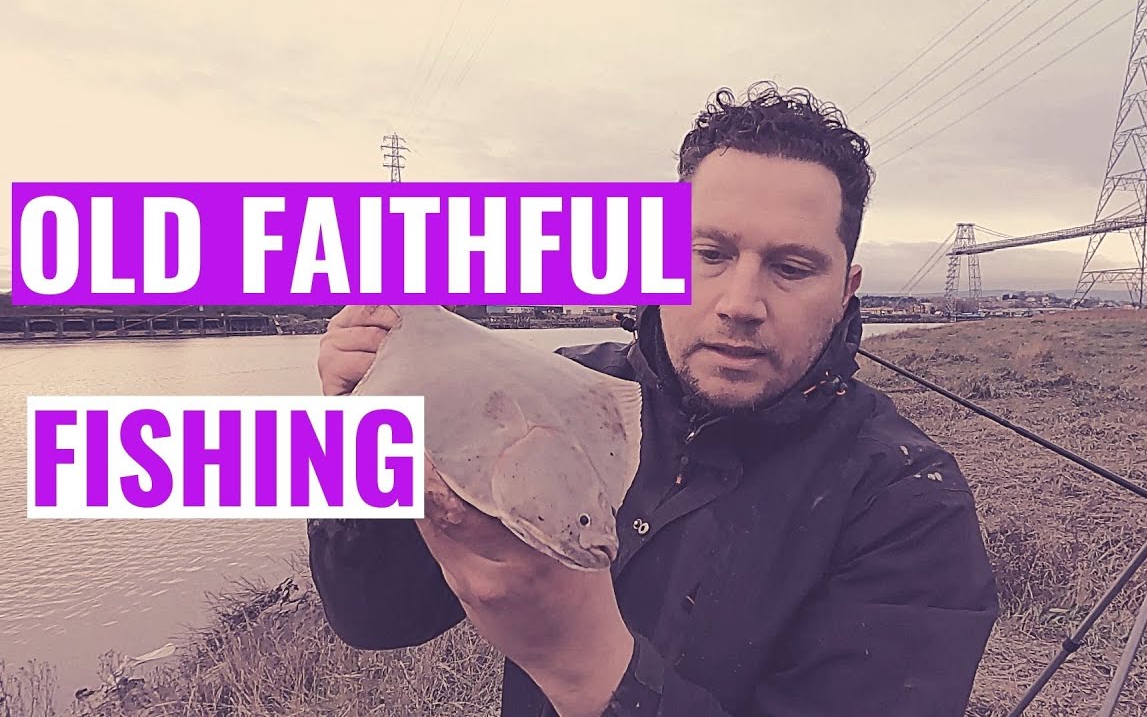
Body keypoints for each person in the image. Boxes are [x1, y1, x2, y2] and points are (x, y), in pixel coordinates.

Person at [307, 82, 999, 717]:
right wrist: (363, 424)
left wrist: (589, 670)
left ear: (846, 289)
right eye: (709, 253)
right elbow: (378, 617)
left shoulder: (910, 505)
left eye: (791, 267)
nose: (740, 304)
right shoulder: (560, 393)